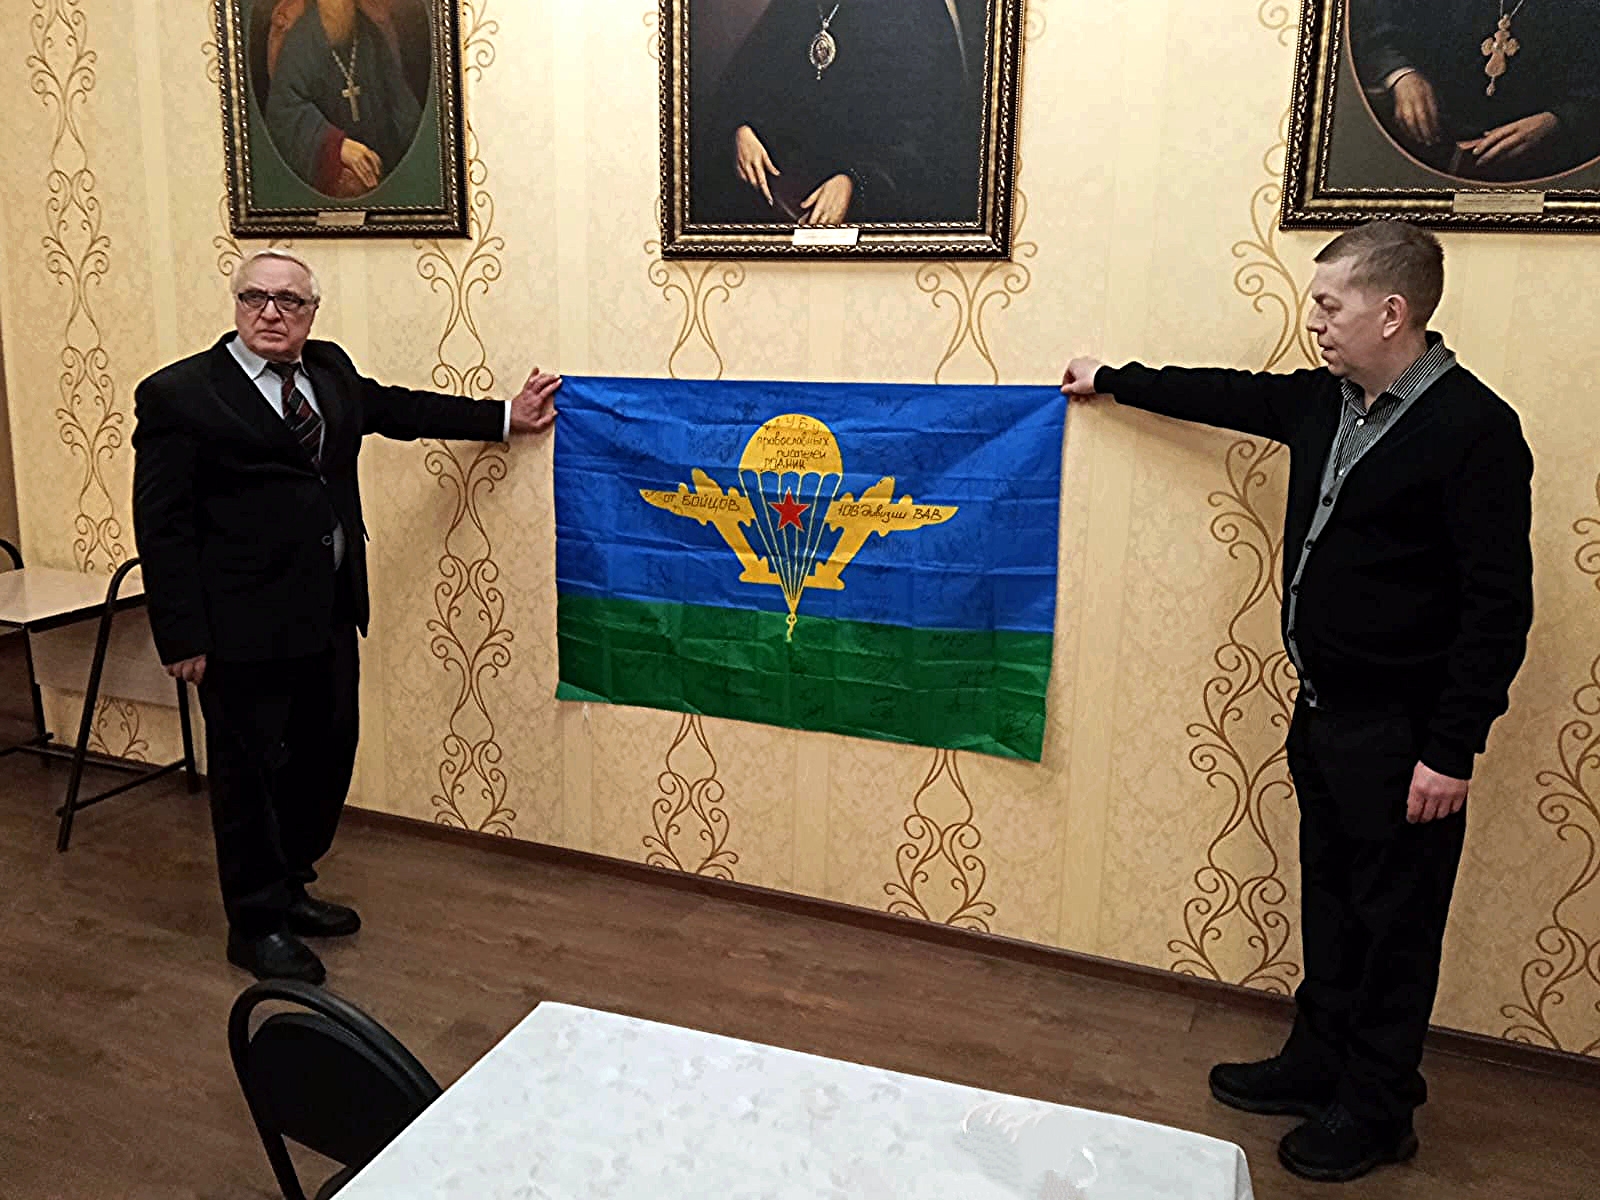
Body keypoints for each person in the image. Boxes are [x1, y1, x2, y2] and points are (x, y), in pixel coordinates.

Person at [1061, 221, 1533, 1183]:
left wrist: (1452, 748)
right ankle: (1319, 1061)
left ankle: (1379, 1109)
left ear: (1391, 313)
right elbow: (1226, 394)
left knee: (1396, 927)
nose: (1313, 320)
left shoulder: (1474, 429)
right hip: (1325, 713)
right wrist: (1111, 377)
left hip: (1407, 734)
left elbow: (1499, 605)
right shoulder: (1329, 401)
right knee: (1333, 900)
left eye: (1328, 303)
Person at [132, 248, 559, 985]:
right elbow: (161, 525)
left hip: (328, 611)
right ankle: (256, 926)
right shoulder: (180, 395)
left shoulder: (327, 370)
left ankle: (292, 886)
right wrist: (182, 635)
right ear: (237, 304)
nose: (271, 313)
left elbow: (399, 410)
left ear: (311, 313)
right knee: (247, 778)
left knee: (325, 756)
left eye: (289, 301)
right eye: (256, 298)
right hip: (238, 629)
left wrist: (503, 417)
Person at [693, 0, 983, 225]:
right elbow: (741, 86)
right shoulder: (796, 6)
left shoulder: (919, 11)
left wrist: (855, 183)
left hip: (873, 212)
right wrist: (740, 127)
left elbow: (930, 140)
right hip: (780, 198)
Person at [1350, 0, 1600, 181]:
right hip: (1431, 151)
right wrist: (1402, 74)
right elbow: (1370, 30)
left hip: (1545, 167)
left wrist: (1558, 121)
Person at [263, 0, 424, 197]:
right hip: (331, 175)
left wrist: (417, 161)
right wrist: (336, 145)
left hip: (381, 166)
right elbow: (283, 113)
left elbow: (402, 106)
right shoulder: (300, 41)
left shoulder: (369, 33)